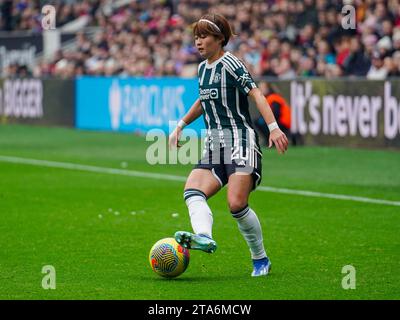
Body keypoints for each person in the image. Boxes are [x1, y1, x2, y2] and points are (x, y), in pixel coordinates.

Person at [168, 13, 288, 277]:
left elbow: (255, 92)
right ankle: (203, 236)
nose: (198, 42)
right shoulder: (202, 69)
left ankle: (260, 259)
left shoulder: (231, 63)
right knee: (192, 191)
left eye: (204, 36)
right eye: (196, 37)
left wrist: (273, 127)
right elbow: (203, 101)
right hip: (214, 145)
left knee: (236, 204)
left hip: (241, 141)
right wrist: (180, 125)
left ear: (219, 39)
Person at [255, 81, 292, 146]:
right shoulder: (270, 97)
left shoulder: (273, 97)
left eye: (262, 88)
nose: (260, 90)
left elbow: (276, 113)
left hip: (283, 123)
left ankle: (271, 140)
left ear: (267, 88)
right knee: (258, 121)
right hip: (283, 122)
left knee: (259, 122)